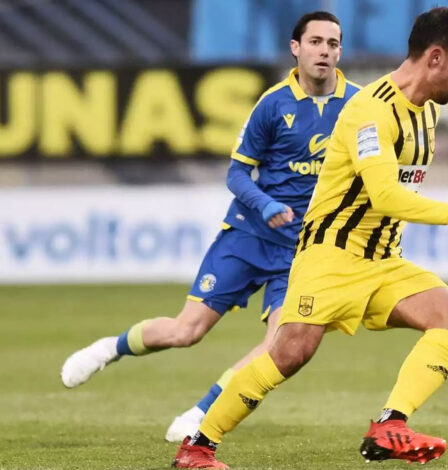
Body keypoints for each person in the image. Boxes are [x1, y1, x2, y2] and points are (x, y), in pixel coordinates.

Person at [171, 6, 448, 469]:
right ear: (435, 57)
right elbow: (385, 195)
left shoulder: (426, 112)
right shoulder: (370, 110)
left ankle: (390, 425)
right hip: (330, 258)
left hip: (382, 260)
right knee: (289, 353)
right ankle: (197, 447)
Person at [60, 11, 360, 442]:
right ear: (296, 48)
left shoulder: (358, 105)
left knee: (279, 346)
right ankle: (110, 348)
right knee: (186, 331)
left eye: (332, 44)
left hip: (303, 252)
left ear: (340, 52)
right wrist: (266, 204)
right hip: (250, 235)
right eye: (315, 42)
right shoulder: (273, 104)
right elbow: (237, 174)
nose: (324, 51)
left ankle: (202, 411)